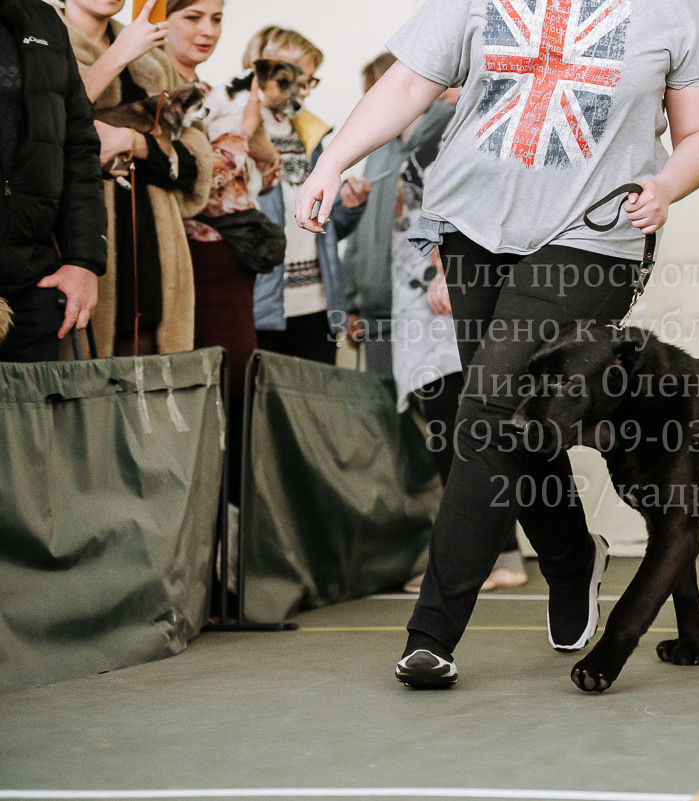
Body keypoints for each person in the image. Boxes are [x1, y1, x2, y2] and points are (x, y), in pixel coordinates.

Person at [297, 0, 699, 689]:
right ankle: (572, 558)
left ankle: (432, 633)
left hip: (593, 234)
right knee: (519, 424)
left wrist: (667, 183)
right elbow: (408, 82)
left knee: (488, 406)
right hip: (471, 225)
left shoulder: (674, 12)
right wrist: (333, 159)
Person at [342, 52, 526, 594]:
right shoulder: (407, 140)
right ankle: (493, 552)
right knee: (454, 428)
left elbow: (478, 202)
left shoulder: (453, 127)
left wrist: (449, 270)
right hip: (415, 301)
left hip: (442, 297)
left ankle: (493, 556)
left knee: (463, 426)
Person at [163, 0, 280, 506]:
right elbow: (193, 181)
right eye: (192, 18)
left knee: (235, 404)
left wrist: (259, 143)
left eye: (216, 19)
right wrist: (244, 132)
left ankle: (228, 538)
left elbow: (262, 174)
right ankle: (202, 537)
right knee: (196, 409)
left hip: (233, 270)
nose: (207, 31)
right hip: (188, 267)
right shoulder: (156, 90)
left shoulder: (212, 95)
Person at [62, 0, 213, 358]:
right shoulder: (39, 41)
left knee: (151, 372)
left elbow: (197, 156)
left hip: (154, 244)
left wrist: (134, 143)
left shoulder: (154, 60)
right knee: (78, 372)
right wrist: (119, 54)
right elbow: (39, 135)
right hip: (73, 241)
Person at [245, 26, 368, 365]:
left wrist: (349, 208)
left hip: (318, 306)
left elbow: (323, 227)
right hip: (261, 306)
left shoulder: (309, 137)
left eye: (310, 81)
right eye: (298, 79)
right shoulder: (238, 132)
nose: (305, 91)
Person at [0, 0, 106, 363]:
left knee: (36, 403)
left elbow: (79, 146)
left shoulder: (43, 19)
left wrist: (84, 261)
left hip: (34, 281)